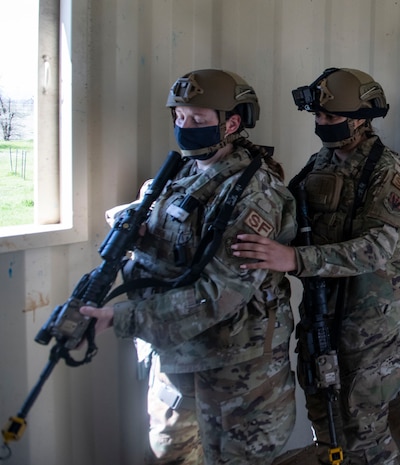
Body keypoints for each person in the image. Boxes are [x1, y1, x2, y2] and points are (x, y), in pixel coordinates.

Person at [80, 69, 297, 465]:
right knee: (170, 452)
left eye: (197, 120)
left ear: (231, 123)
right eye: (179, 118)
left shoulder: (255, 194)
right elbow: (159, 213)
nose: (184, 128)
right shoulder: (182, 171)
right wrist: (130, 221)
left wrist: (118, 318)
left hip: (234, 366)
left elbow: (219, 296)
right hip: (175, 352)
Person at [231, 67, 400, 465]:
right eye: (318, 116)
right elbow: (293, 213)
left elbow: (377, 249)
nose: (322, 124)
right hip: (321, 308)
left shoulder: (388, 169)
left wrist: (295, 259)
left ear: (362, 120)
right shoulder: (322, 161)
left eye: (332, 117)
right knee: (323, 409)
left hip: (366, 320)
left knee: (363, 426)